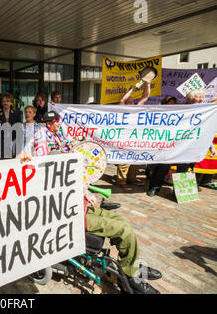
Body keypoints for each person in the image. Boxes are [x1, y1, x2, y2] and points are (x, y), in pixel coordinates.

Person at [27, 110, 162, 294]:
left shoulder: (58, 135)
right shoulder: (42, 139)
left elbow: (73, 156)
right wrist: (81, 187)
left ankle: (132, 267)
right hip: (68, 211)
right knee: (124, 230)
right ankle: (131, 278)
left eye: (59, 121)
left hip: (76, 201)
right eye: (56, 121)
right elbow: (50, 167)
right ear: (49, 123)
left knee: (123, 221)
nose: (59, 123)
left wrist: (84, 188)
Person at [116, 81, 151, 190]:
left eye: (132, 101)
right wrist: (133, 89)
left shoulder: (137, 109)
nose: (131, 103)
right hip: (124, 138)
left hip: (136, 138)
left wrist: (147, 84)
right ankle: (121, 181)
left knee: (135, 161)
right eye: (129, 102)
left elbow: (145, 97)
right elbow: (122, 100)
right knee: (124, 161)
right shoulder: (122, 110)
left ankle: (131, 179)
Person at [146, 96, 178, 196]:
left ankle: (154, 188)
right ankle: (152, 177)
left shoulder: (178, 114)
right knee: (155, 167)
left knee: (163, 167)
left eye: (174, 104)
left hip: (170, 145)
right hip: (157, 144)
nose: (172, 105)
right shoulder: (158, 113)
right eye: (170, 103)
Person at [0, 92, 22, 159]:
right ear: (2, 103)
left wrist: (18, 150)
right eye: (4, 101)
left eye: (8, 101)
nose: (6, 103)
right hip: (2, 143)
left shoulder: (16, 114)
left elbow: (19, 132)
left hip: (14, 143)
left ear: (11, 103)